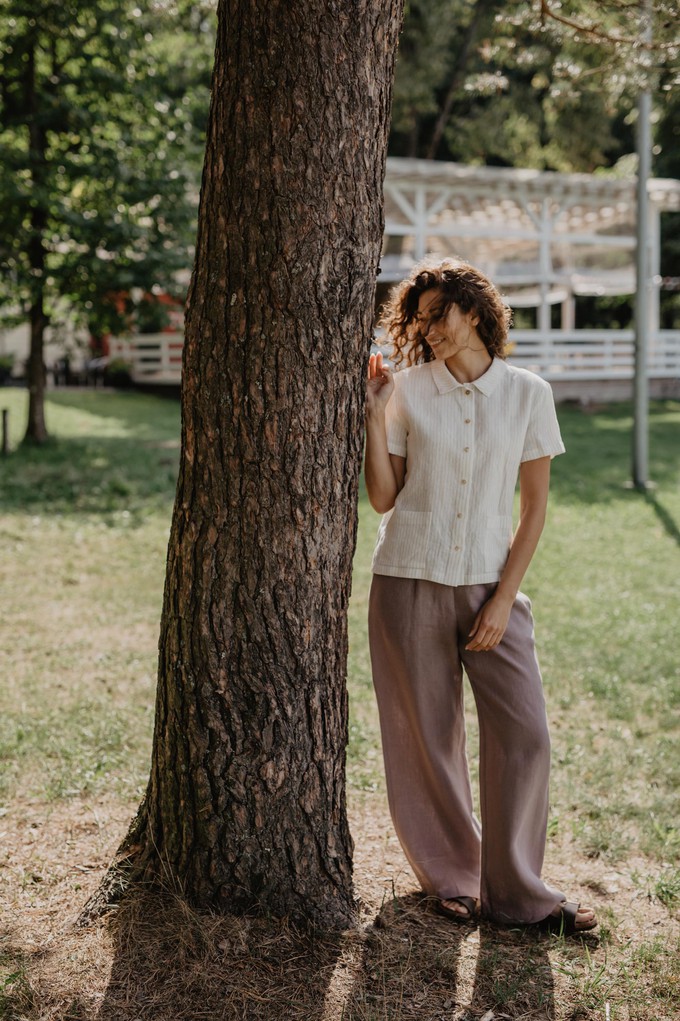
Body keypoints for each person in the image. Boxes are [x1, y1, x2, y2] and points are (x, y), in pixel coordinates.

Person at [364, 257, 597, 935]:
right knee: (428, 739)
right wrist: (375, 418)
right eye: (422, 317)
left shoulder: (529, 392)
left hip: (491, 587)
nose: (430, 328)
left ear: (475, 310)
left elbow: (534, 511)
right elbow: (384, 496)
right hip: (408, 578)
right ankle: (454, 877)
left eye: (441, 314)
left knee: (524, 734)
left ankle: (520, 890)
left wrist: (503, 599)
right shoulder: (406, 389)